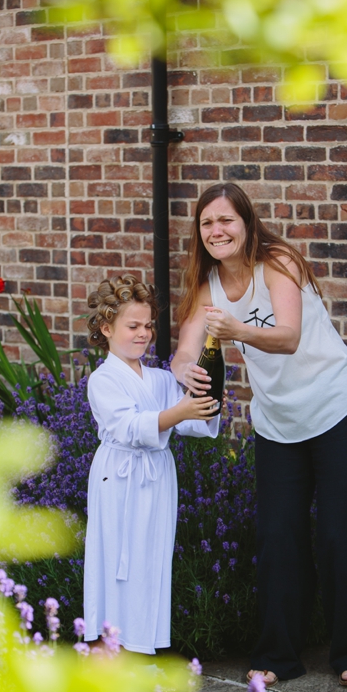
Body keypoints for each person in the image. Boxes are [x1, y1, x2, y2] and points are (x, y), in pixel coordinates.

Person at [171, 183, 347, 688]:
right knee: (278, 536)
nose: (216, 231)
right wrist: (184, 370)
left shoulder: (279, 262)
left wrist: (237, 330)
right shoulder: (208, 286)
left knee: (338, 533)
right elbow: (184, 348)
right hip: (278, 424)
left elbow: (287, 336)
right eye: (207, 224)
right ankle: (278, 655)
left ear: (247, 223)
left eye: (226, 221)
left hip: (336, 408)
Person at [82, 275, 221, 654]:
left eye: (148, 326)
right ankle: (108, 650)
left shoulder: (160, 378)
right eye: (132, 326)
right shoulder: (102, 380)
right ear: (106, 328)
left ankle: (141, 645)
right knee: (116, 561)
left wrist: (208, 399)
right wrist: (179, 410)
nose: (143, 334)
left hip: (157, 477)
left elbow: (191, 422)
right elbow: (128, 426)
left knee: (149, 562)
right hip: (120, 477)